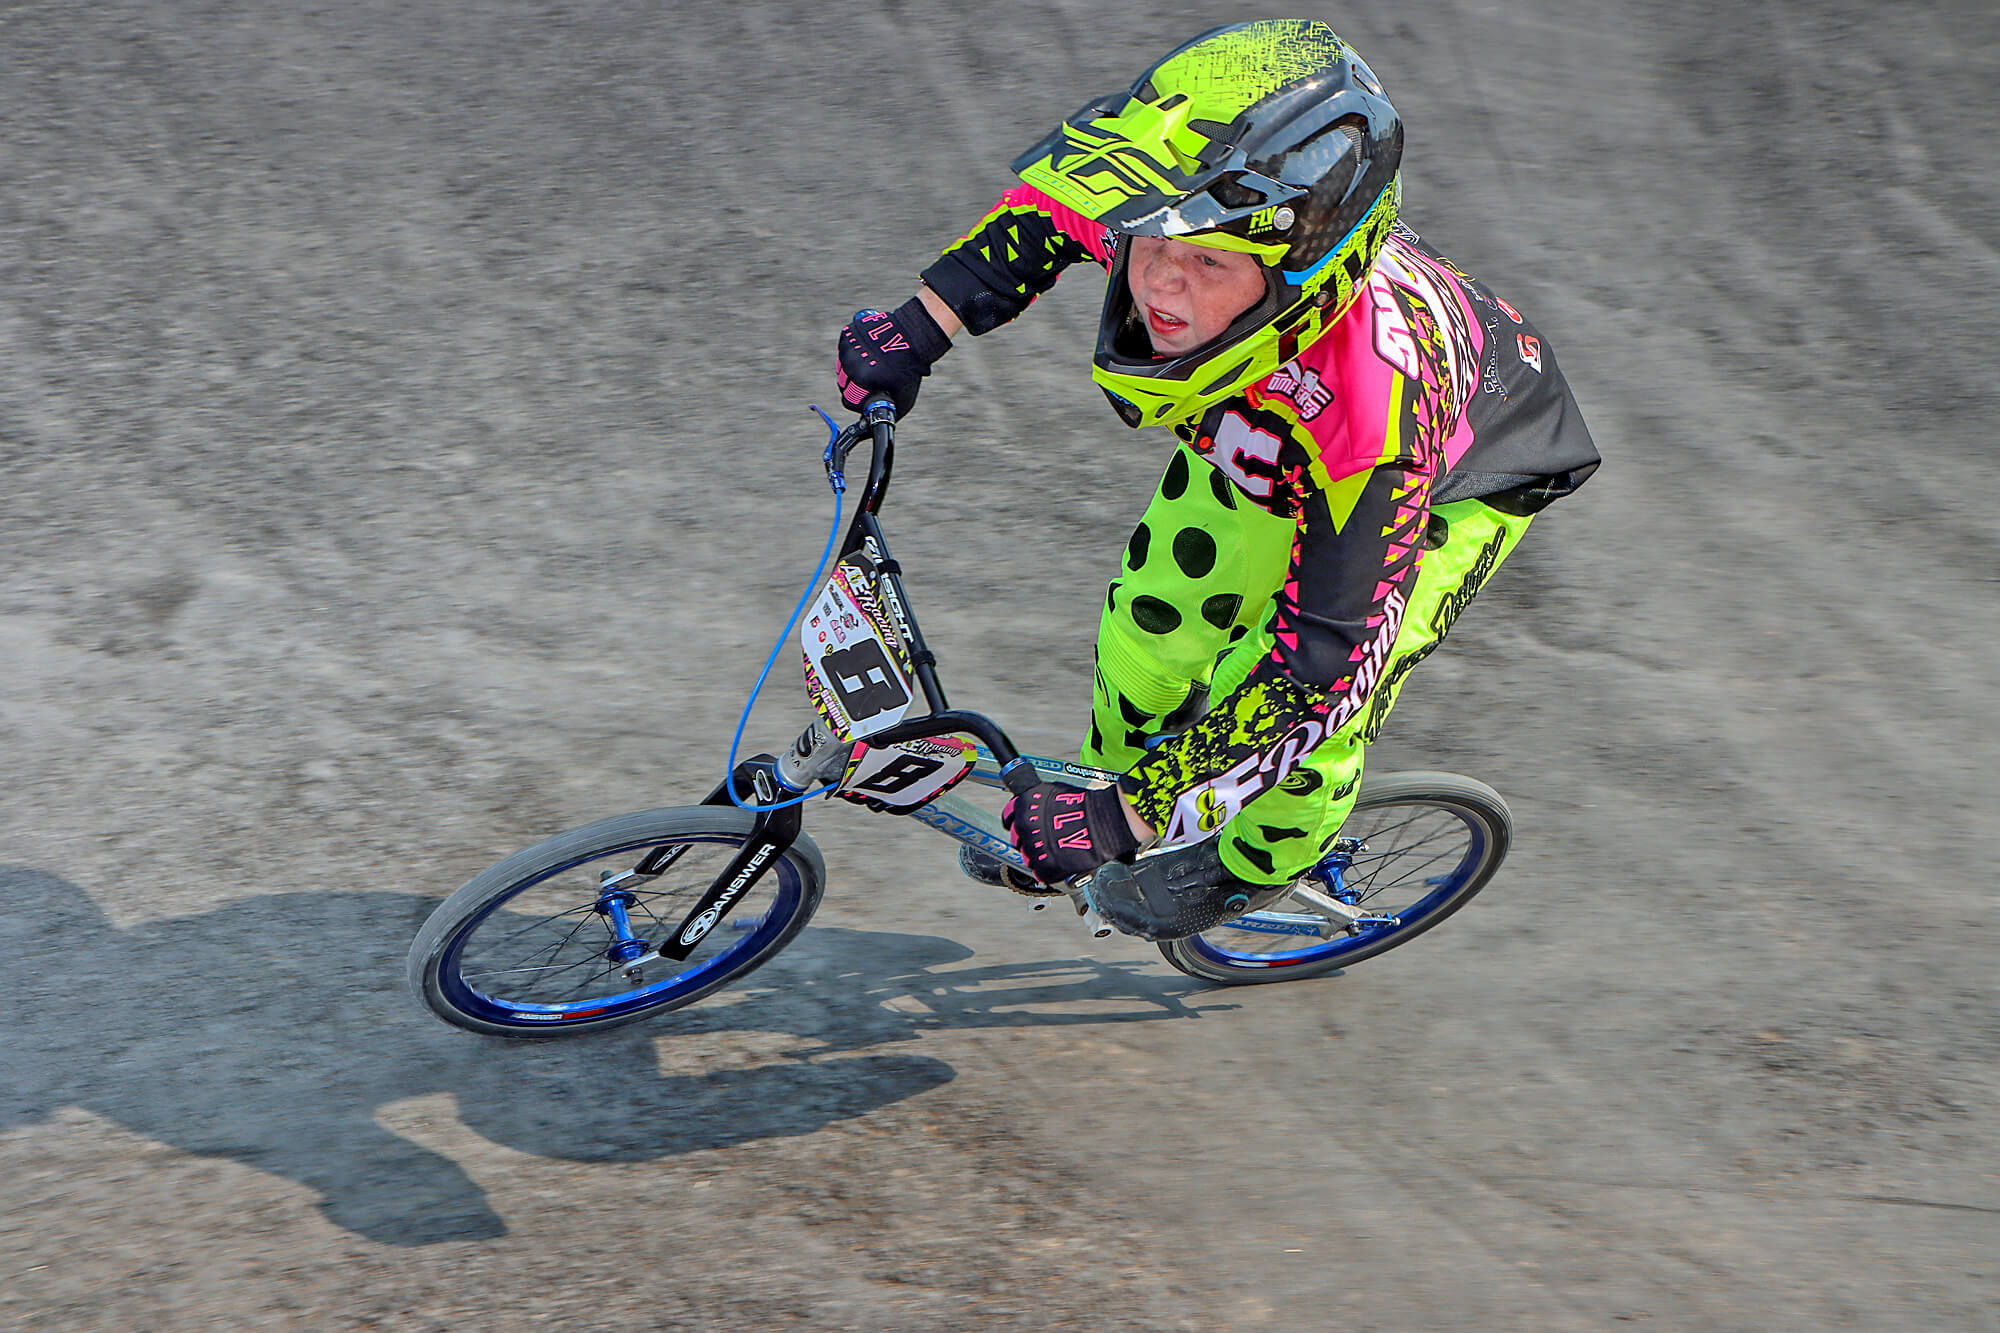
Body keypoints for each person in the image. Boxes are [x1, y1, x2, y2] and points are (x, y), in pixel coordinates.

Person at [835, 19, 1599, 941]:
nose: (1158, 283)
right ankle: (1112, 788)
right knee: (1146, 627)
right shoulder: (1206, 224)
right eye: (1155, 246)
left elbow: (1323, 674)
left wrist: (1126, 821)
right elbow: (1051, 220)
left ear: (1296, 276)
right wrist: (919, 328)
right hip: (1279, 414)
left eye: (1204, 263)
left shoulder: (1374, 418)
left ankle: (1262, 861)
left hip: (1455, 475)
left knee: (1293, 690)